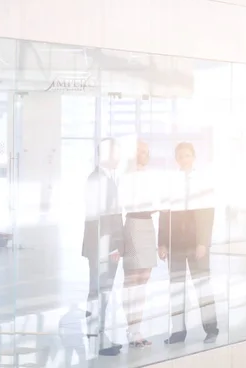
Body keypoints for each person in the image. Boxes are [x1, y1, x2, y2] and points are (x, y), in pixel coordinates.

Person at [158, 142, 219, 345]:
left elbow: (208, 214)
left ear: (193, 157)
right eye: (180, 156)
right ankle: (178, 332)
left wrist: (203, 242)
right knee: (176, 288)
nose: (184, 159)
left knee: (202, 286)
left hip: (196, 244)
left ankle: (211, 329)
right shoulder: (171, 182)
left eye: (187, 155)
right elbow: (164, 213)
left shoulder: (203, 181)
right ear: (177, 160)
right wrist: (162, 242)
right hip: (175, 243)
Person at [82, 138, 123, 356]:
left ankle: (98, 334)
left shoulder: (104, 178)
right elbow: (102, 218)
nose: (119, 158)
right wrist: (113, 247)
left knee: (100, 292)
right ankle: (96, 336)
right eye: (116, 154)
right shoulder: (98, 179)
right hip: (103, 247)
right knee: (100, 291)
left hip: (103, 246)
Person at [119, 140, 159, 348]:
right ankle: (131, 329)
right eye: (140, 151)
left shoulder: (149, 176)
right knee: (132, 281)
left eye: (146, 151)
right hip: (134, 224)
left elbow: (155, 200)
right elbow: (129, 202)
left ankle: (137, 328)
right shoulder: (127, 176)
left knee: (143, 279)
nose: (144, 154)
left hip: (148, 226)